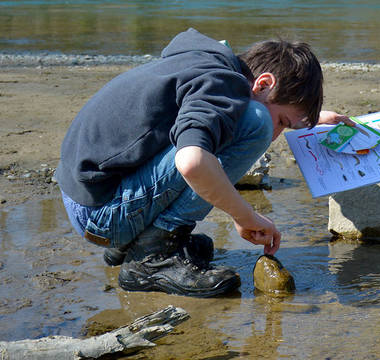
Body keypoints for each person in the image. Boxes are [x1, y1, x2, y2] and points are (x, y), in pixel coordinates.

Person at [56, 28, 349, 297]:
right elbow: (191, 162)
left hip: (90, 193)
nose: (277, 137)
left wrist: (310, 120)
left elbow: (207, 111)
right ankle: (152, 255)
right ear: (263, 84)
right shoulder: (223, 86)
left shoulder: (208, 64)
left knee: (240, 122)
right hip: (101, 216)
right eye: (283, 123)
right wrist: (245, 216)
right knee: (255, 123)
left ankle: (134, 241)